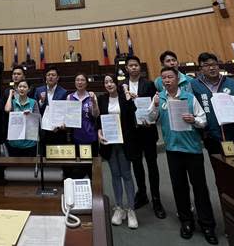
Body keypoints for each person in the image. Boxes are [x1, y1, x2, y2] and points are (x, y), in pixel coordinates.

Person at [151, 67, 218, 244]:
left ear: (177, 79)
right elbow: (150, 119)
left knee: (200, 188)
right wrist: (155, 106)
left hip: (192, 150)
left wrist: (194, 120)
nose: (167, 80)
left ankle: (207, 225)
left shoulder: (189, 97)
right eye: (164, 78)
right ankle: (186, 222)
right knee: (179, 188)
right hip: (173, 150)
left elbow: (203, 120)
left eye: (170, 77)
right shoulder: (160, 97)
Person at [123, 55, 166, 217]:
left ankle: (156, 199)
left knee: (152, 165)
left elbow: (154, 106)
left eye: (136, 65)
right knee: (137, 166)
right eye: (130, 65)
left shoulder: (149, 84)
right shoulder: (122, 86)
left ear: (139, 67)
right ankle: (142, 194)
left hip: (148, 131)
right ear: (126, 69)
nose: (133, 68)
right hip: (132, 133)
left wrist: (151, 119)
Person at [97, 74, 138, 229]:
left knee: (126, 174)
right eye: (106, 82)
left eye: (111, 81)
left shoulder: (125, 97)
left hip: (125, 142)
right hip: (109, 143)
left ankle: (131, 209)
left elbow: (132, 112)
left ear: (117, 83)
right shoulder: (102, 99)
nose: (109, 84)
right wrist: (99, 132)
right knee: (115, 175)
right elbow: (98, 120)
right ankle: (119, 207)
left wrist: (128, 93)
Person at [191, 52, 234, 155]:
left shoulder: (233, 83)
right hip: (211, 135)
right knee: (220, 167)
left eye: (214, 64)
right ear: (200, 69)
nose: (212, 68)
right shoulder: (194, 85)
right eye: (207, 65)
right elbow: (191, 107)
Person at [34, 67, 69, 151]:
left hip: (57, 130)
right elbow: (35, 109)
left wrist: (60, 124)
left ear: (57, 78)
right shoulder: (39, 90)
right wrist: (41, 102)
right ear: (45, 77)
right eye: (48, 75)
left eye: (53, 75)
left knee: (57, 157)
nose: (50, 77)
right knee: (44, 155)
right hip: (43, 129)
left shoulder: (63, 92)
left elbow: (65, 111)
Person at [67, 73, 99, 158]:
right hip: (76, 136)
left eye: (82, 80)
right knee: (79, 165)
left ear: (86, 83)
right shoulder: (69, 97)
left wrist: (94, 102)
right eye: (77, 80)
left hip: (90, 135)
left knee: (92, 165)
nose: (80, 82)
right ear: (75, 82)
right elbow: (67, 116)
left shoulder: (92, 96)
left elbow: (96, 115)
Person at [5, 80, 38, 157]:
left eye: (24, 87)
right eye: (20, 87)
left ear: (29, 89)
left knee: (29, 167)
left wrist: (30, 115)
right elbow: (7, 110)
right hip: (14, 142)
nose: (22, 89)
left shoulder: (33, 102)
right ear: (17, 89)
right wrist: (10, 95)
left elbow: (38, 119)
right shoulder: (12, 102)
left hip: (29, 142)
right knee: (15, 167)